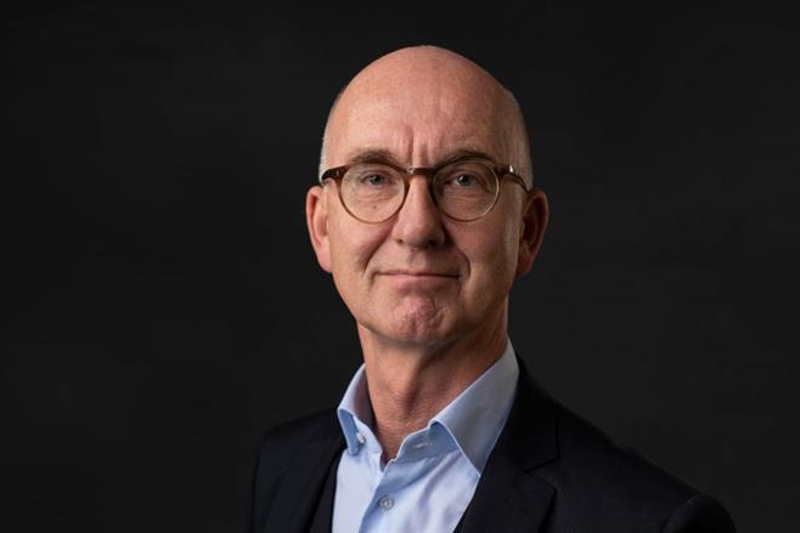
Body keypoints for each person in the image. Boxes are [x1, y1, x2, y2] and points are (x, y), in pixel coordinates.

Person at [245, 45, 736, 533]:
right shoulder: (285, 468)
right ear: (322, 228)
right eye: (374, 178)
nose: (417, 227)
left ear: (526, 231)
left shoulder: (655, 524)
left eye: (464, 179)